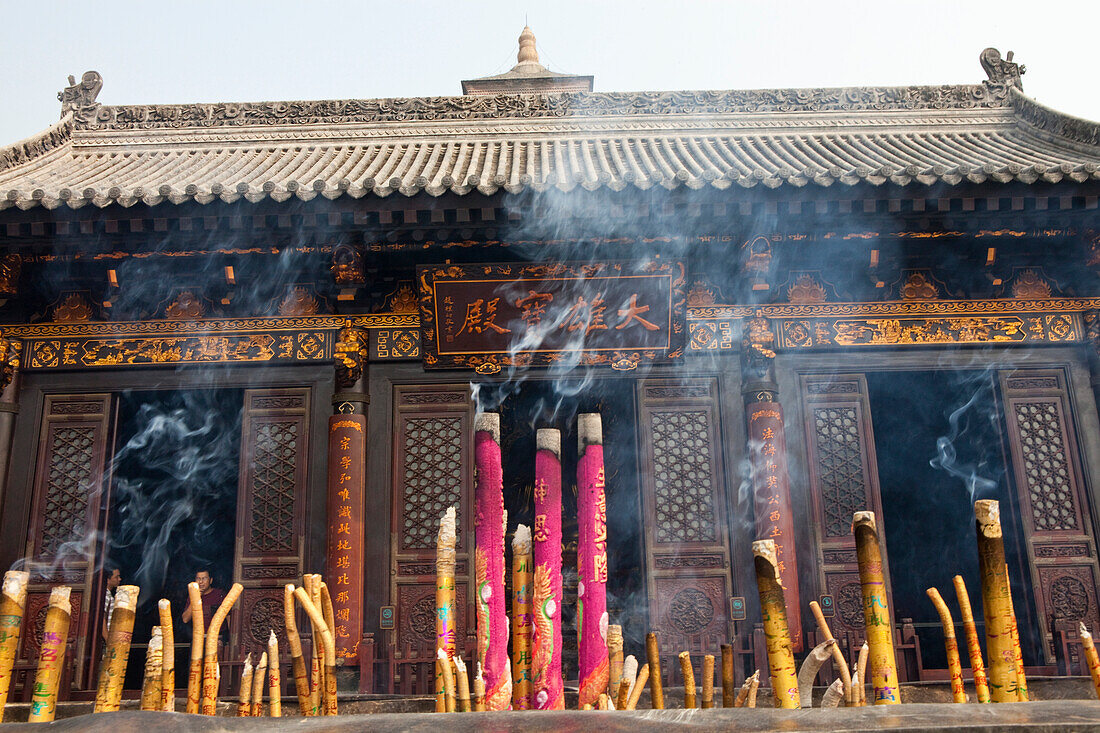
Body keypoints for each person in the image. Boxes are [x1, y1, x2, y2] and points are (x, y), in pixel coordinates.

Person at [102, 566, 121, 641]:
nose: (119, 579)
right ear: (107, 580)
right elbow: (102, 618)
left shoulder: (109, 595)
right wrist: (108, 639)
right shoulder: (106, 595)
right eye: (116, 577)